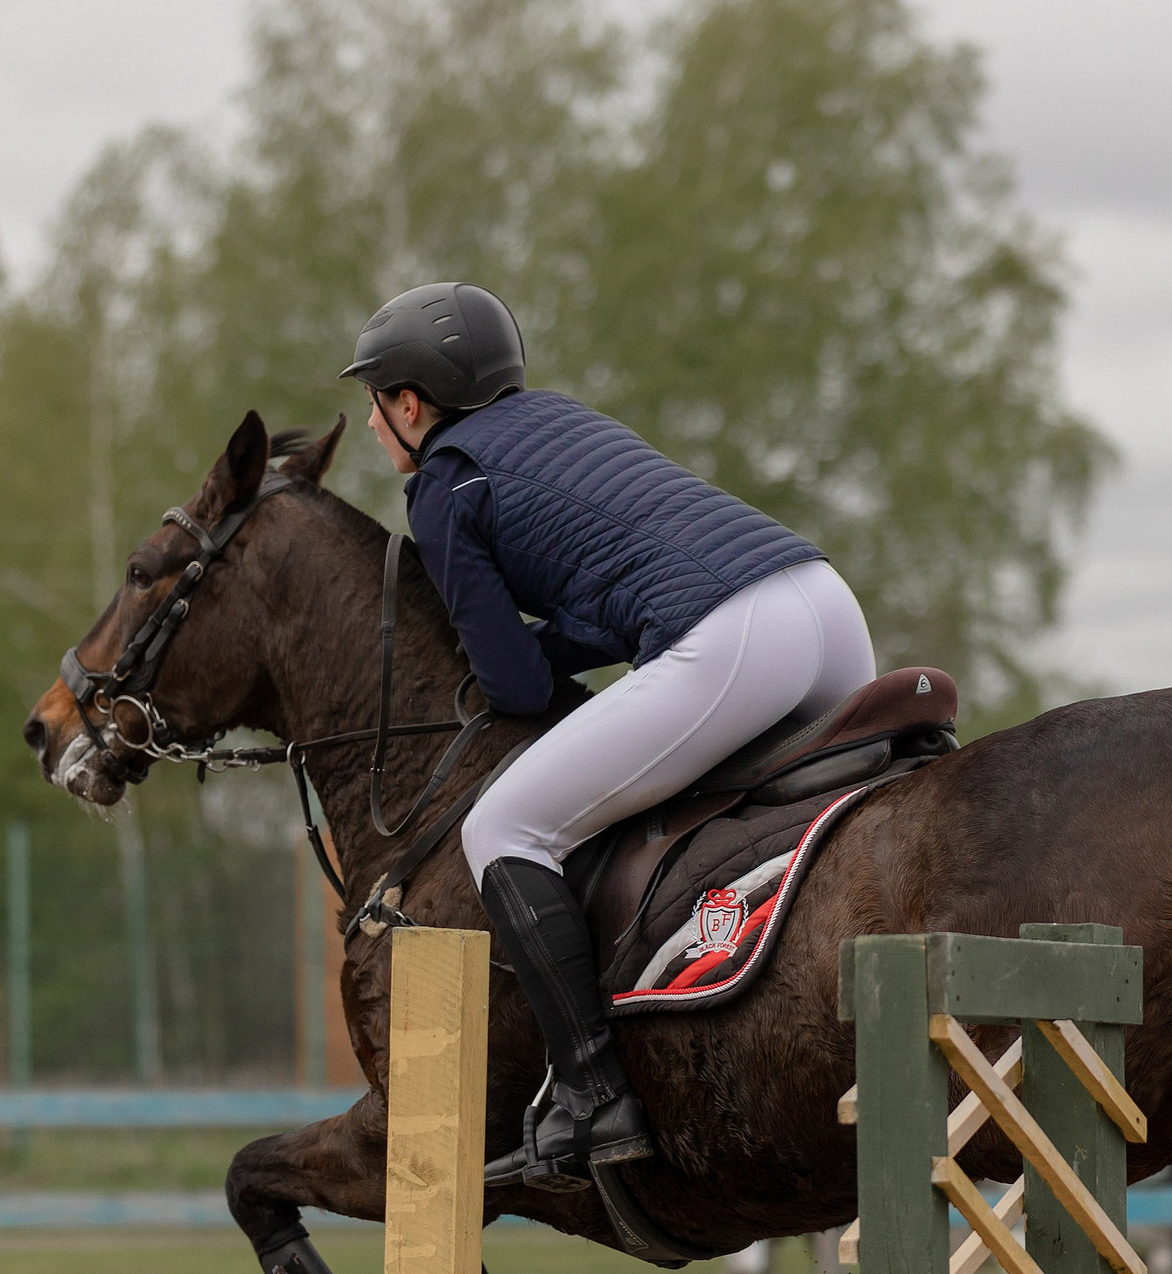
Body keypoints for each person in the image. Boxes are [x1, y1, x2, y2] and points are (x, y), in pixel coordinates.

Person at [341, 282, 877, 1189]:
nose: (369, 427)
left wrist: (524, 658)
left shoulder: (443, 485)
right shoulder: (562, 422)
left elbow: (512, 683)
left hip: (734, 636)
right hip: (823, 602)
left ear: (409, 404)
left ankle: (595, 1091)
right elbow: (600, 602)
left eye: (375, 403)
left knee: (502, 829)